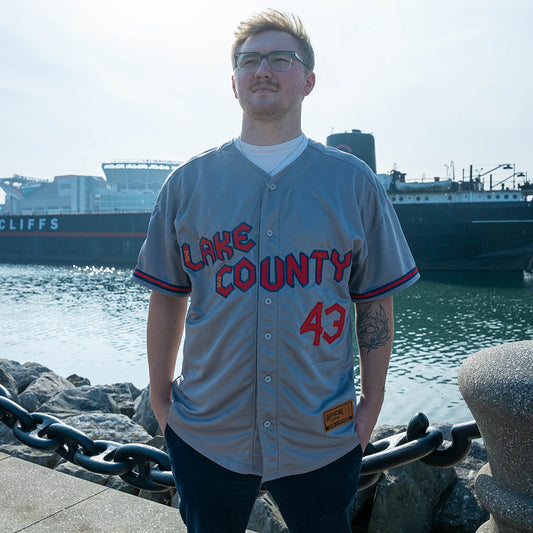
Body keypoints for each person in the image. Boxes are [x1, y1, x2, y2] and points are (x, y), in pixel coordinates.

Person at [132, 9, 419, 533]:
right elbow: (168, 295)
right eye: (249, 60)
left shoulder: (355, 184)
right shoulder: (186, 184)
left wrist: (371, 404)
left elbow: (375, 299)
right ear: (234, 81)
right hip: (205, 435)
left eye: (280, 59)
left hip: (323, 436)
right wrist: (160, 397)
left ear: (308, 80)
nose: (263, 69)